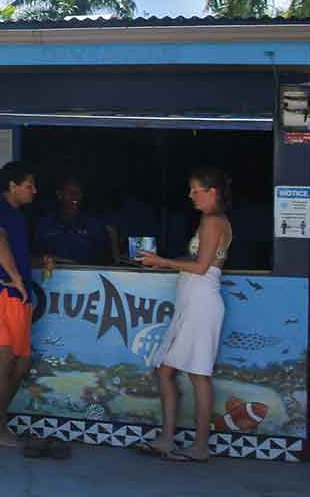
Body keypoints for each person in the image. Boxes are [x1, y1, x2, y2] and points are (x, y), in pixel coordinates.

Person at [135, 168, 234, 463]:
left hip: (201, 301)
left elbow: (202, 267)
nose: (190, 196)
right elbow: (198, 262)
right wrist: (165, 262)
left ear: (212, 191)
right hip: (194, 301)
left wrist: (161, 261)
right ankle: (169, 438)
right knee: (168, 371)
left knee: (198, 375)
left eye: (195, 190)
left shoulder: (212, 221)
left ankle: (198, 446)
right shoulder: (215, 221)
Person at [0, 161, 38, 448]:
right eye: (29, 185)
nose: (34, 191)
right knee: (4, 363)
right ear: (13, 186)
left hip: (17, 298)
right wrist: (15, 278)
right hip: (2, 296)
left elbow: (13, 247)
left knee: (22, 360)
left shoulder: (17, 215)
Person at [35, 177, 118, 269]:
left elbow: (106, 260)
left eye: (78, 194)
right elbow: (36, 255)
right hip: (53, 275)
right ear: (59, 194)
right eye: (70, 193)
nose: (74, 197)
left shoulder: (93, 224)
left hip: (86, 276)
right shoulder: (46, 224)